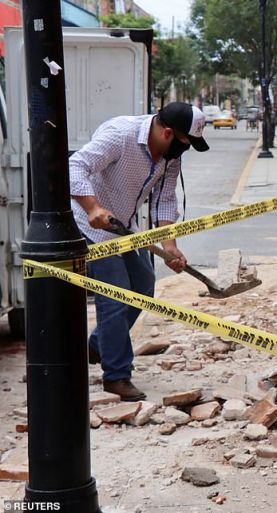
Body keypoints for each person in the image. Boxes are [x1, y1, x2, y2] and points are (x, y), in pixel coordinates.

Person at [70, 102, 209, 401]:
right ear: (168, 133)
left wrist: (170, 246)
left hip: (125, 227)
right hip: (92, 225)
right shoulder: (121, 135)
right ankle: (116, 375)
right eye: (185, 143)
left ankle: (98, 345)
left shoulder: (170, 157)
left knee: (144, 286)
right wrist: (92, 207)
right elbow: (75, 166)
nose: (184, 150)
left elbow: (164, 200)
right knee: (116, 296)